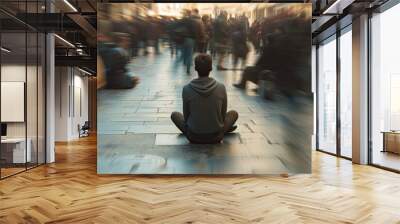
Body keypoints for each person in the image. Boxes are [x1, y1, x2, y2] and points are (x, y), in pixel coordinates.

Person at [171, 54, 238, 144]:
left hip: (193, 137)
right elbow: (222, 117)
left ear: (195, 68)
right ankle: (225, 130)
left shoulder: (187, 89)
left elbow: (186, 118)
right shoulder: (221, 87)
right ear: (211, 68)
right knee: (233, 113)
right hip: (217, 136)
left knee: (175, 115)